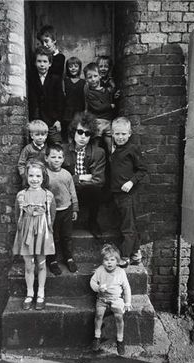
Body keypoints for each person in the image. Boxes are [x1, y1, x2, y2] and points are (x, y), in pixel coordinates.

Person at [12, 160, 56, 311]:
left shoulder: (48, 195)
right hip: (26, 234)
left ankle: (41, 292)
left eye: (38, 176)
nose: (34, 179)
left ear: (43, 177)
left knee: (41, 263)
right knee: (29, 265)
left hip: (42, 233)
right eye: (31, 175)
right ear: (26, 176)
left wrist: (45, 230)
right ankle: (30, 293)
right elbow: (17, 214)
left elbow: (53, 215)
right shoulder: (21, 195)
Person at [110, 117, 147, 267]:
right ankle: (136, 254)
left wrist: (131, 182)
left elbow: (142, 169)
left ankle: (124, 257)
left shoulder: (132, 149)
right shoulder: (115, 149)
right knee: (129, 224)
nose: (120, 137)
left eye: (123, 134)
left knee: (128, 227)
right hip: (117, 194)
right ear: (112, 134)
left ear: (130, 133)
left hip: (128, 195)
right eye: (117, 134)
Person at [63, 111, 106, 238]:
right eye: (80, 132)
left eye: (87, 134)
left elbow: (99, 180)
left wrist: (74, 182)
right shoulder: (63, 150)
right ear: (73, 132)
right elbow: (57, 176)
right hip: (68, 191)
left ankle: (92, 222)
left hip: (87, 191)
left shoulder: (98, 152)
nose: (83, 136)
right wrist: (79, 177)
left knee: (95, 189)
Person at [90, 243, 132, 355]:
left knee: (119, 317)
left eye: (112, 259)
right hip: (102, 298)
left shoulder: (120, 272)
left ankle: (120, 340)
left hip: (116, 298)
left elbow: (126, 287)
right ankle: (97, 337)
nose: (109, 262)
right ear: (102, 261)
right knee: (98, 315)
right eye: (106, 260)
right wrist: (98, 288)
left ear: (117, 261)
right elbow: (92, 281)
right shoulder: (100, 270)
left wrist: (127, 302)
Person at [45, 143, 79, 275]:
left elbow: (72, 192)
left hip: (66, 209)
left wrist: (75, 208)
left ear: (63, 159)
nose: (57, 160)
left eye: (59, 157)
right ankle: (52, 260)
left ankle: (68, 258)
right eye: (53, 157)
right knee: (52, 236)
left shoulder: (67, 174)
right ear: (46, 158)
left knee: (66, 236)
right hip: (51, 211)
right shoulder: (44, 173)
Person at [28, 46, 64, 144]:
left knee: (57, 145)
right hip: (37, 120)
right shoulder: (32, 78)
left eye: (45, 61)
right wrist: (34, 120)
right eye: (39, 61)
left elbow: (60, 100)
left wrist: (58, 120)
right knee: (38, 146)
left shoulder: (55, 79)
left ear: (50, 64)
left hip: (52, 120)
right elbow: (33, 100)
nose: (42, 65)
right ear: (35, 63)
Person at [83, 62, 115, 154]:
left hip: (108, 121)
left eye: (95, 76)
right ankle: (94, 163)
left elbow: (110, 96)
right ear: (86, 79)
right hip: (97, 122)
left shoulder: (105, 90)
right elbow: (97, 107)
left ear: (100, 76)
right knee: (95, 146)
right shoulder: (90, 94)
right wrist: (110, 106)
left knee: (111, 148)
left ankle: (112, 163)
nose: (93, 79)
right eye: (90, 77)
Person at [18, 120, 48, 187]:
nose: (40, 137)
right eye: (37, 135)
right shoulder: (28, 149)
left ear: (46, 136)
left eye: (42, 135)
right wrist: (24, 176)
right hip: (30, 178)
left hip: (42, 178)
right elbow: (21, 163)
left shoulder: (47, 149)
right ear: (32, 136)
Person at [62, 56, 85, 141]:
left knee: (78, 134)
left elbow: (85, 98)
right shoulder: (65, 81)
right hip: (67, 113)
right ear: (67, 68)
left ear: (79, 68)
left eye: (76, 66)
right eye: (70, 66)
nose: (73, 68)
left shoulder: (83, 82)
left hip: (79, 112)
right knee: (68, 135)